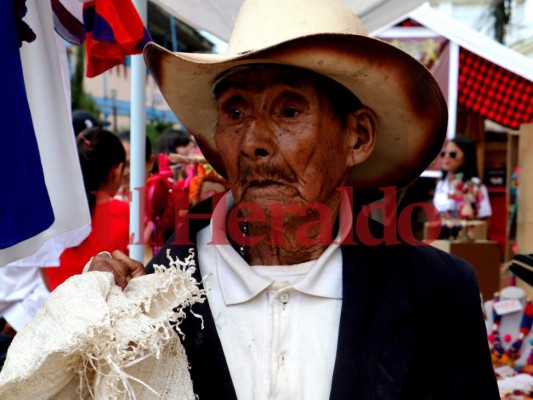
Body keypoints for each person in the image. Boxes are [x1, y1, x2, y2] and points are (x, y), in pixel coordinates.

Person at [2, 0, 499, 398]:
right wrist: (88, 330)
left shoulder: (437, 292)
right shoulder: (156, 295)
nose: (252, 141)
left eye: (288, 109)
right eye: (235, 110)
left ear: (358, 137)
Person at [44, 127, 130, 291]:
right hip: (106, 313)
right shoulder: (126, 214)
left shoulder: (51, 213)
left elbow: (44, 270)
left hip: (56, 309)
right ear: (117, 171)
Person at [433, 135, 492, 220]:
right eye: (443, 153)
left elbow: (485, 218)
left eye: (452, 154)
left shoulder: (475, 184)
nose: (447, 156)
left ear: (465, 157)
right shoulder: (441, 184)